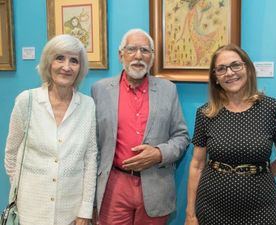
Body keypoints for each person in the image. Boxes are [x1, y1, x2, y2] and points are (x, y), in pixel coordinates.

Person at [185, 44, 276, 225]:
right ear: (216, 78)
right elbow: (197, 164)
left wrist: (258, 176)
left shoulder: (273, 109)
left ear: (248, 69)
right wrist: (190, 213)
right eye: (221, 69)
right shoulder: (205, 113)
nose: (229, 73)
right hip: (211, 206)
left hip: (260, 209)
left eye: (235, 65)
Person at [91, 28, 190, 225]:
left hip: (156, 184)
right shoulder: (100, 90)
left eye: (145, 50)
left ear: (152, 57)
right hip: (114, 185)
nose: (138, 56)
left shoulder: (167, 89)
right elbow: (92, 144)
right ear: (121, 55)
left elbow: (182, 137)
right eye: (132, 49)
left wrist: (158, 154)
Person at [4, 34, 97, 225]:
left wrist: (85, 211)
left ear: (80, 68)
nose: (66, 66)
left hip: (70, 213)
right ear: (48, 63)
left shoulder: (88, 106)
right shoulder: (26, 101)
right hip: (30, 211)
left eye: (74, 61)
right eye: (59, 58)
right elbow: (11, 154)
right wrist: (23, 189)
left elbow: (90, 160)